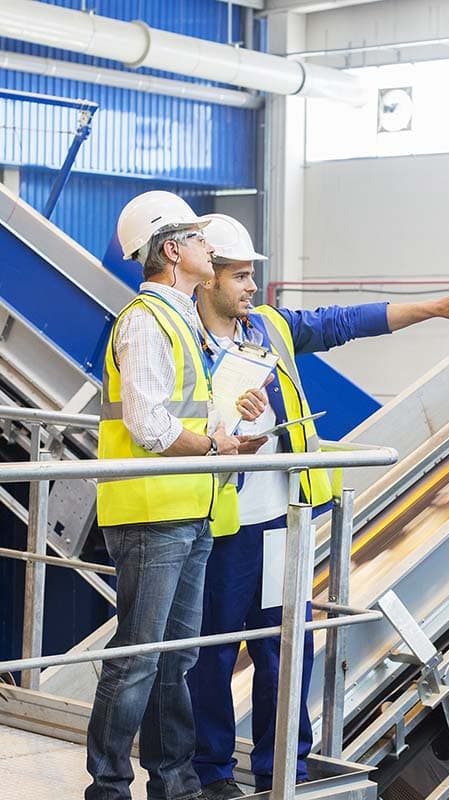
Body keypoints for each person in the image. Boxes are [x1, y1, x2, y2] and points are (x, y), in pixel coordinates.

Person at [187, 212, 449, 799]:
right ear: (206, 277)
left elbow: (343, 322)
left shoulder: (267, 326)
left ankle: (285, 772)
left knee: (283, 649)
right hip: (220, 524)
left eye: (252, 275)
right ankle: (213, 776)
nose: (253, 287)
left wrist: (430, 308)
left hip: (280, 521)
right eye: (241, 276)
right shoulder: (181, 337)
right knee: (213, 654)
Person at [87, 192, 255, 800]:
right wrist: (212, 449)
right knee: (137, 657)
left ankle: (173, 780)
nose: (212, 247)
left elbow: (188, 411)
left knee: (174, 659)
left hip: (191, 508)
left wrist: (233, 422)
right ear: (174, 249)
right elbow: (149, 425)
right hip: (152, 512)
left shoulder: (184, 319)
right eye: (200, 237)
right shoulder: (145, 320)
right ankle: (108, 786)